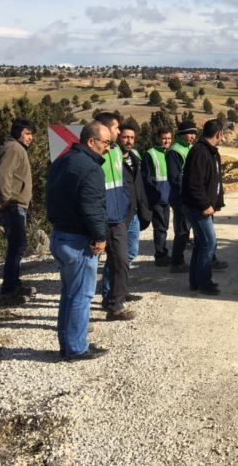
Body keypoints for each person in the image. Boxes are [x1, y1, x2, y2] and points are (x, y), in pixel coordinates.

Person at [46, 121, 110, 361]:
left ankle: (68, 343)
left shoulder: (61, 161)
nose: (108, 148)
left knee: (69, 295)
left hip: (60, 235)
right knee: (82, 296)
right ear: (91, 141)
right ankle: (76, 348)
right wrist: (100, 237)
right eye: (105, 143)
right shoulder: (91, 169)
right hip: (78, 241)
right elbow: (92, 207)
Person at [101, 123, 151, 301]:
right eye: (125, 137)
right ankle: (110, 292)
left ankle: (120, 288)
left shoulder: (136, 156)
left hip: (135, 211)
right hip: (120, 211)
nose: (129, 141)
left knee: (130, 253)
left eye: (132, 137)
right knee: (116, 255)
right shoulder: (110, 157)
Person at [94, 112, 136, 321]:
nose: (119, 132)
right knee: (89, 267)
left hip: (118, 218)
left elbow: (124, 182)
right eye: (116, 128)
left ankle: (115, 304)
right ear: (104, 128)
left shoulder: (117, 151)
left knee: (121, 260)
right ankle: (82, 313)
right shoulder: (94, 152)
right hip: (98, 218)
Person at [0, 117, 35, 305]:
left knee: (17, 246)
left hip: (16, 205)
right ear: (18, 133)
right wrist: (4, 199)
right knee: (17, 246)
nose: (30, 137)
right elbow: (3, 173)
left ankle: (14, 285)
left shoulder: (15, 148)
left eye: (31, 134)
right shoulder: (14, 148)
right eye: (27, 133)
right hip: (13, 205)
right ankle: (7, 292)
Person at [181, 119, 225, 295]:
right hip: (198, 208)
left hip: (203, 207)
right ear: (219, 134)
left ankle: (195, 281)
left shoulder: (210, 151)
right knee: (209, 243)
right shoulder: (200, 151)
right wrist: (205, 205)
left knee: (201, 244)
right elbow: (194, 184)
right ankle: (205, 282)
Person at [167, 120, 198, 272]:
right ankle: (176, 263)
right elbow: (175, 178)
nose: (193, 136)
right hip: (181, 198)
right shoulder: (175, 151)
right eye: (190, 133)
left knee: (189, 229)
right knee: (181, 230)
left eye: (194, 133)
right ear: (182, 134)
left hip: (190, 196)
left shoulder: (189, 148)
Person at [143, 127, 174, 267]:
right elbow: (146, 178)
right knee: (160, 227)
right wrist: (154, 196)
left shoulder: (171, 153)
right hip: (158, 198)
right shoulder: (150, 154)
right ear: (158, 139)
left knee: (165, 226)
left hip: (169, 197)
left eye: (168, 138)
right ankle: (160, 255)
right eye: (164, 138)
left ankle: (163, 252)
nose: (166, 141)